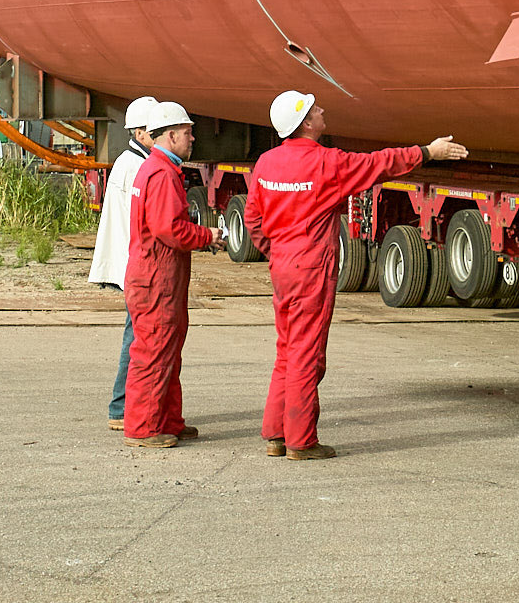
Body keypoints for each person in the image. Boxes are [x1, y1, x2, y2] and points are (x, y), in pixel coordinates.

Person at [244, 92, 469, 461]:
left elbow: (253, 218)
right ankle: (301, 440)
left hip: (283, 266)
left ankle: (276, 434)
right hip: (311, 268)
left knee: (287, 349)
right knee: (306, 354)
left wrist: (276, 252)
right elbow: (379, 164)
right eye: (314, 109)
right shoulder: (326, 162)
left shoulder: (266, 163)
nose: (321, 110)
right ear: (306, 124)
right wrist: (428, 152)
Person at [122, 101, 224, 448]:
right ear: (170, 135)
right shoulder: (163, 174)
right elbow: (170, 229)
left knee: (166, 349)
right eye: (187, 132)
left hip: (155, 274)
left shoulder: (155, 168)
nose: (193, 138)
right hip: (158, 278)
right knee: (155, 351)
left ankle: (166, 420)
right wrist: (207, 235)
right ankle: (143, 428)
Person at [88, 97, 158, 430]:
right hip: (135, 266)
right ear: (141, 133)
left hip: (128, 263)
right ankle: (121, 406)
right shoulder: (136, 166)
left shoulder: (128, 161)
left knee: (137, 335)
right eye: (157, 130)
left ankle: (126, 405)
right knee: (137, 337)